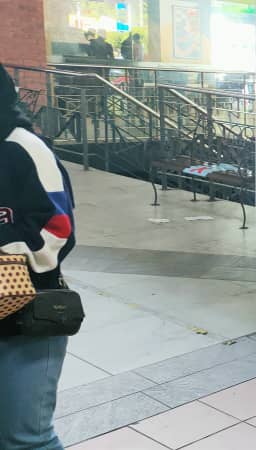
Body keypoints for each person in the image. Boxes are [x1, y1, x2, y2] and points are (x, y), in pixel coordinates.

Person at [0, 64, 76, 450]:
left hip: (27, 312)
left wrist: (8, 248)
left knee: (26, 439)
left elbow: (59, 230)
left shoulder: (23, 147)